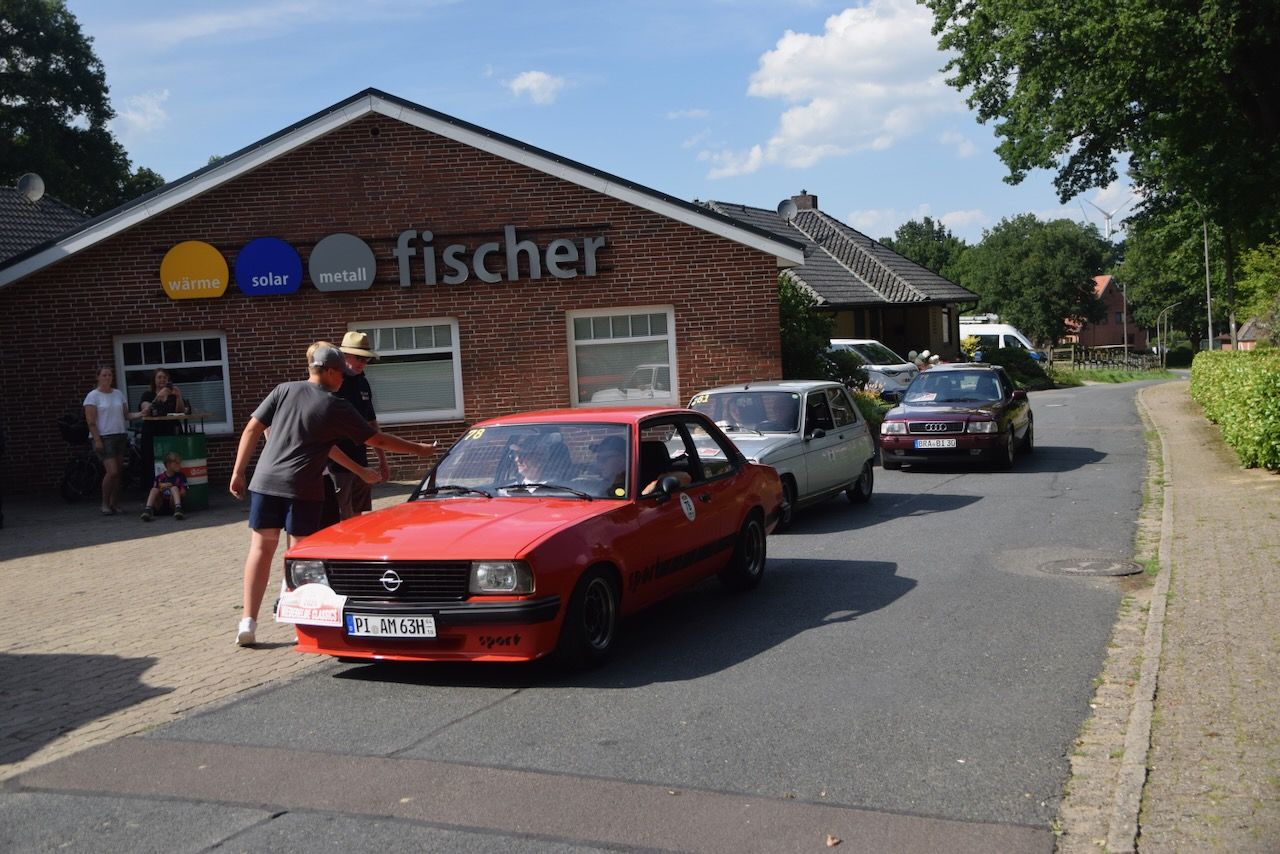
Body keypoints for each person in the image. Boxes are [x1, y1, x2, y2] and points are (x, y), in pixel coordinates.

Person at [229, 343, 438, 647]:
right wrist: (419, 450)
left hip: (264, 482)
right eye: (341, 373)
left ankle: (247, 622)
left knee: (261, 549)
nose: (343, 379)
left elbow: (253, 430)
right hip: (301, 486)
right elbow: (377, 439)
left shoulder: (283, 390)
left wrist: (238, 472)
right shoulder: (334, 405)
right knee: (300, 555)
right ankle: (300, 623)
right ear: (327, 371)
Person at [327, 331, 389, 519]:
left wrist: (382, 460)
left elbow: (371, 423)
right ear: (344, 355)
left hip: (361, 461)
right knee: (340, 519)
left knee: (357, 518)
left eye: (366, 359)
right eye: (359, 358)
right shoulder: (332, 382)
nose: (363, 363)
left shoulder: (363, 382)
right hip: (336, 466)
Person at [84, 365, 145, 516]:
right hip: (104, 437)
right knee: (112, 472)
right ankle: (104, 503)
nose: (107, 378)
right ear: (98, 377)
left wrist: (141, 413)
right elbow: (91, 421)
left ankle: (114, 503)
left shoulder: (118, 394)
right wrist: (97, 440)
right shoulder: (93, 396)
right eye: (104, 375)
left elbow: (126, 415)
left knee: (119, 473)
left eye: (109, 375)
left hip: (120, 435)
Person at [139, 368, 186, 481]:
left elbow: (180, 411)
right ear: (154, 380)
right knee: (151, 460)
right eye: (159, 377)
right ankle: (152, 485)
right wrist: (159, 396)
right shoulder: (147, 395)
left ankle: (174, 483)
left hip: (170, 429)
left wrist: (178, 396)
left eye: (165, 377)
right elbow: (146, 410)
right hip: (152, 431)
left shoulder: (172, 395)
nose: (162, 380)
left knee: (171, 457)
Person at [141, 451, 188, 521]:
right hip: (160, 506)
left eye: (179, 463)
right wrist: (161, 489)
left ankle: (178, 509)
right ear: (168, 464)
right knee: (154, 489)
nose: (179, 465)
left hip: (172, 506)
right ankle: (148, 510)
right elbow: (156, 493)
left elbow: (183, 493)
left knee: (174, 488)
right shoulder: (159, 478)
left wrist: (172, 488)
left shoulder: (181, 476)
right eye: (177, 463)